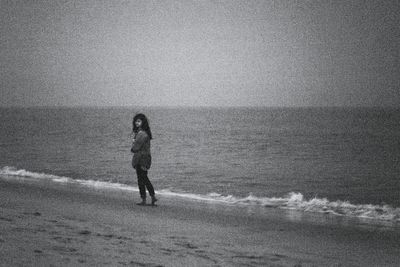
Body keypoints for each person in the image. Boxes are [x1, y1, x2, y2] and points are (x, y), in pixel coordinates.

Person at [130, 113, 157, 206]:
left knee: (142, 179)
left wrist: (133, 144)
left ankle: (145, 198)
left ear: (142, 122)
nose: (137, 123)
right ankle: (152, 197)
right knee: (144, 178)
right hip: (145, 158)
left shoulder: (141, 134)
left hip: (141, 159)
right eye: (136, 121)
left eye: (139, 121)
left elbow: (135, 148)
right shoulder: (144, 133)